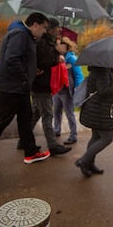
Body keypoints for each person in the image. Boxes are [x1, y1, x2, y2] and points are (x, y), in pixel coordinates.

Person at [0, 12, 51, 168]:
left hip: (17, 87)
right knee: (2, 120)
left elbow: (19, 58)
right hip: (9, 87)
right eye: (43, 28)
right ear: (35, 25)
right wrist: (24, 77)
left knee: (25, 118)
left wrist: (31, 70)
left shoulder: (25, 35)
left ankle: (30, 152)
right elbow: (12, 58)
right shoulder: (20, 34)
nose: (44, 32)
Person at [26, 17, 72, 155]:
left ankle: (24, 140)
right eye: (58, 27)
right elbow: (45, 61)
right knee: (47, 114)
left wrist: (57, 51)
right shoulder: (43, 42)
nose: (60, 29)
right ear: (52, 28)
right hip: (41, 85)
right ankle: (52, 145)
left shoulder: (47, 41)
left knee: (36, 113)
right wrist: (58, 55)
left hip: (40, 84)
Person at [75, 66, 113, 177]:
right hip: (100, 110)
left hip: (95, 109)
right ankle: (84, 161)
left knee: (96, 137)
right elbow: (103, 91)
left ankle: (89, 164)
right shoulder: (103, 71)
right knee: (107, 138)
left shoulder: (100, 69)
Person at [53, 37, 84, 145]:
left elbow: (78, 75)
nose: (59, 46)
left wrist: (77, 88)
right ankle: (56, 130)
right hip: (56, 90)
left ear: (67, 46)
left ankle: (73, 135)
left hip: (67, 91)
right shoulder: (55, 57)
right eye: (58, 44)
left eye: (62, 44)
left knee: (69, 113)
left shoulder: (71, 59)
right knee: (56, 111)